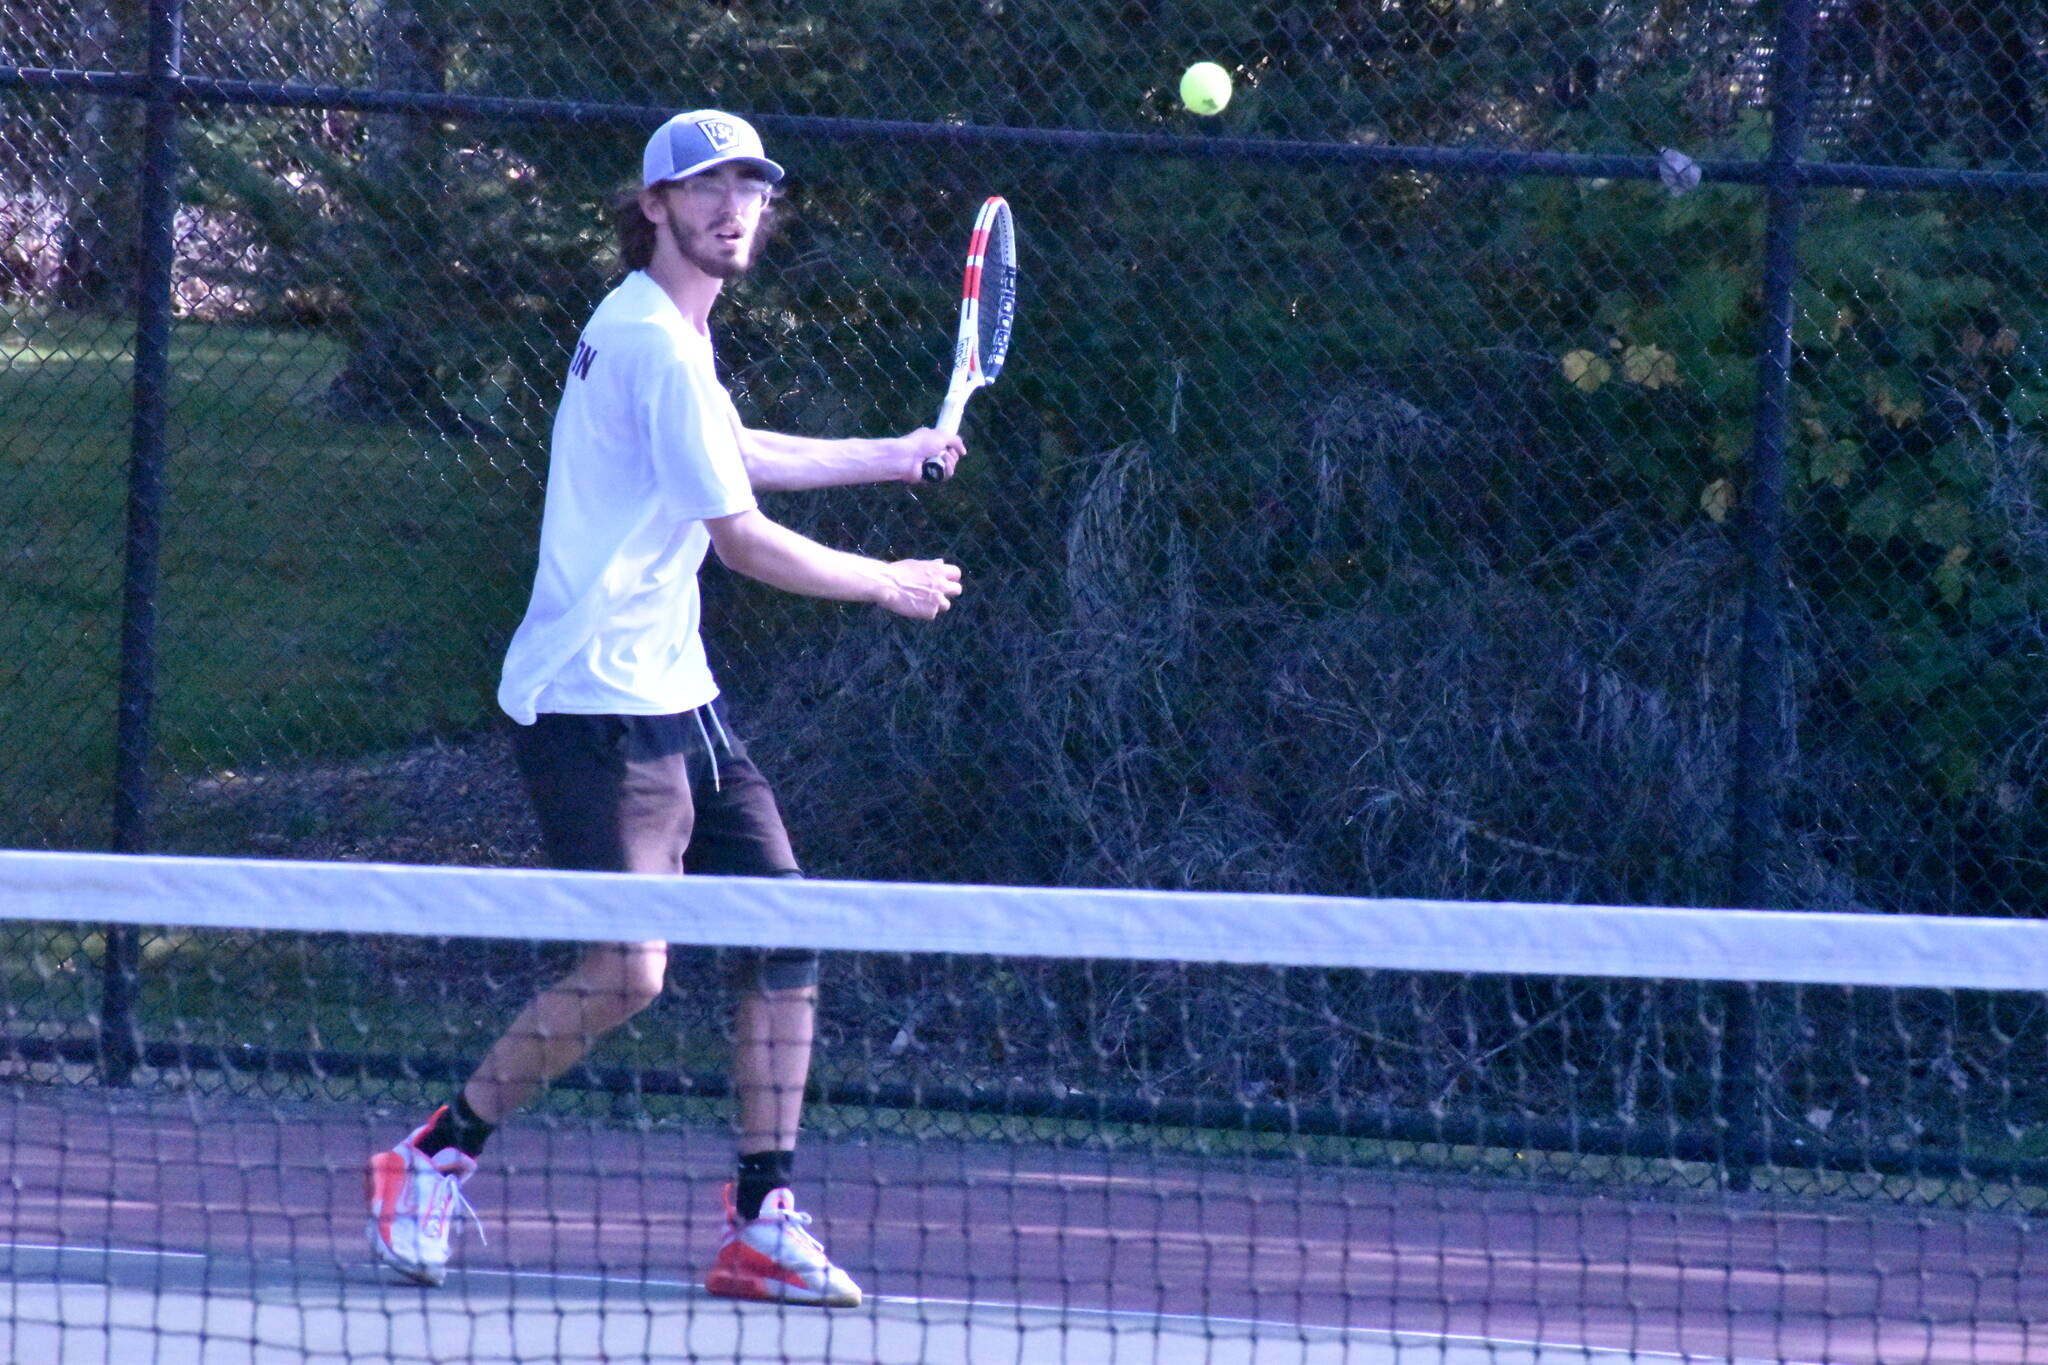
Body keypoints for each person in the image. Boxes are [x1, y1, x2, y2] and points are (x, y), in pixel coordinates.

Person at [364, 109, 964, 1307]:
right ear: (653, 207)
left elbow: (727, 447)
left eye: (749, 188)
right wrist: (884, 582)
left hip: (677, 693)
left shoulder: (667, 331)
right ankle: (430, 1156)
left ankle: (760, 1219)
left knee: (785, 929)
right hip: (593, 703)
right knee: (630, 971)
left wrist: (890, 453)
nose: (732, 209)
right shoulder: (649, 341)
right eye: (704, 189)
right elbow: (739, 538)